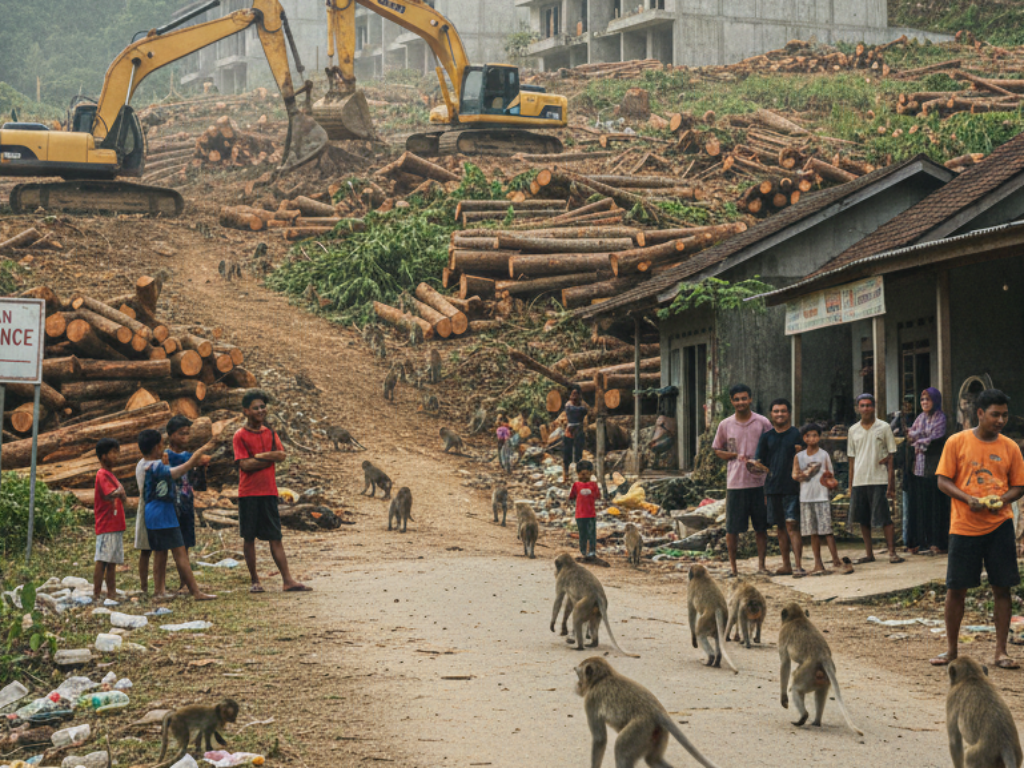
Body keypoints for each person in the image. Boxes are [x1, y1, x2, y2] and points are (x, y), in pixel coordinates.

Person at [931, 389, 1024, 669]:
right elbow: (942, 480)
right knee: (956, 589)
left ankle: (1001, 652)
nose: (1000, 420)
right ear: (980, 413)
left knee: (1002, 588)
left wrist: (1002, 500)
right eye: (995, 414)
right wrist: (967, 498)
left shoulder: (1010, 447)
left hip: (1000, 525)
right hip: (963, 526)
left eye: (1004, 415)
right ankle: (951, 650)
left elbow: (1019, 485)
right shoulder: (957, 442)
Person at [233, 389, 310, 594]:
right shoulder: (240, 435)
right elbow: (245, 466)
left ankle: (287, 580)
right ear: (246, 411)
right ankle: (255, 580)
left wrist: (259, 456)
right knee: (249, 538)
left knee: (275, 536)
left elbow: (281, 455)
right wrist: (269, 458)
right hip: (248, 493)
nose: (260, 410)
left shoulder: (270, 433)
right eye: (255, 408)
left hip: (268, 492)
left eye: (262, 407)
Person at [137, 429, 216, 601]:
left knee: (160, 552)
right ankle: (196, 592)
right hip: (164, 513)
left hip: (152, 513)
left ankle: (159, 591)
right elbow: (180, 471)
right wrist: (198, 455)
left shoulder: (144, 464)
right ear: (157, 447)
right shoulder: (156, 466)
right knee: (180, 552)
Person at [712, 384, 772, 577]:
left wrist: (763, 463)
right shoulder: (725, 424)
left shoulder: (762, 422)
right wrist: (732, 455)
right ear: (732, 401)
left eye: (744, 398)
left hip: (759, 484)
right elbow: (717, 449)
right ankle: (733, 568)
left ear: (750, 399)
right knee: (732, 529)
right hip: (735, 483)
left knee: (761, 527)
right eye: (737, 399)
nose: (741, 402)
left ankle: (762, 566)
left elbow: (772, 446)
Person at [847, 394, 902, 564]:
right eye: (862, 405)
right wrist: (850, 486)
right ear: (857, 408)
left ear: (874, 407)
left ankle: (892, 552)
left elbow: (891, 456)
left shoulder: (884, 427)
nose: (865, 409)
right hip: (860, 479)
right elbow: (851, 459)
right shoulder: (853, 430)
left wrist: (891, 483)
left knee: (884, 517)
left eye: (868, 405)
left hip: (879, 478)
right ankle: (869, 553)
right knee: (863, 519)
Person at [792, 423, 853, 576]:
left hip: (821, 497)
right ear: (803, 438)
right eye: (808, 435)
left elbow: (830, 475)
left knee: (827, 530)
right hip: (806, 498)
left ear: (819, 437)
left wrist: (830, 482)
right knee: (813, 532)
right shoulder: (799, 456)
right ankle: (818, 563)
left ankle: (836, 560)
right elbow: (794, 475)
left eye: (814, 435)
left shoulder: (824, 455)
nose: (811, 438)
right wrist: (803, 475)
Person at [753, 398, 803, 576]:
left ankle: (798, 566)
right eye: (776, 411)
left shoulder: (796, 434)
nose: (780, 414)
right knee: (780, 528)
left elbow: (805, 458)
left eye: (783, 411)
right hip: (773, 487)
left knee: (793, 526)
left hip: (793, 487)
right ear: (771, 414)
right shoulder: (766, 437)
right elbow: (760, 462)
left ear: (789, 413)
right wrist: (753, 465)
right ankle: (786, 564)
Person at [165, 416, 210, 589]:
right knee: (177, 544)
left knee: (187, 541)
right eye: (181, 434)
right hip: (172, 504)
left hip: (186, 503)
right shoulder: (166, 457)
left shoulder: (189, 456)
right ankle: (184, 580)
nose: (185, 437)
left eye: (187, 434)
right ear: (171, 435)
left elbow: (197, 482)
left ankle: (184, 581)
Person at [907, 387, 950, 555]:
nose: (925, 403)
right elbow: (911, 436)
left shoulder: (941, 418)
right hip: (919, 469)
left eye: (928, 399)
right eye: (922, 400)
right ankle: (920, 542)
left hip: (934, 469)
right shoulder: (920, 418)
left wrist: (918, 440)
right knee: (920, 507)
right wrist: (919, 439)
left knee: (935, 507)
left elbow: (935, 439)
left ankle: (937, 543)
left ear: (935, 401)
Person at [93, 438, 127, 602]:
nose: (116, 456)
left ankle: (111, 593)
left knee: (112, 561)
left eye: (117, 452)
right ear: (103, 456)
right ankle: (96, 593)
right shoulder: (102, 474)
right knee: (102, 560)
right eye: (113, 452)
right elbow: (108, 494)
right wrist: (119, 492)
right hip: (107, 524)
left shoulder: (111, 475)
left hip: (115, 524)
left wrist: (121, 493)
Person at [890, 394, 917, 551]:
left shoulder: (917, 418)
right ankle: (904, 538)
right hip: (901, 464)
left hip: (914, 462)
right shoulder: (899, 419)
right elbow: (891, 432)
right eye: (905, 404)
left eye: (910, 404)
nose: (907, 407)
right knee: (901, 503)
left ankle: (908, 539)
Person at [570, 459, 600, 561]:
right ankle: (583, 551)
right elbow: (572, 496)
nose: (584, 477)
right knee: (582, 534)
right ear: (578, 474)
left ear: (591, 473)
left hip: (591, 514)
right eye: (582, 475)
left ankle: (592, 552)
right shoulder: (576, 485)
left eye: (586, 474)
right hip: (580, 515)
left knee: (592, 534)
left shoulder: (593, 485)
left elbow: (597, 496)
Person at [562, 387, 589, 484]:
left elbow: (584, 412)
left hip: (579, 431)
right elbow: (576, 412)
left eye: (575, 394)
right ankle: (566, 475)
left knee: (578, 454)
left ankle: (578, 476)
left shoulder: (582, 406)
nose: (573, 396)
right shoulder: (568, 406)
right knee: (567, 455)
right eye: (572, 394)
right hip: (570, 431)